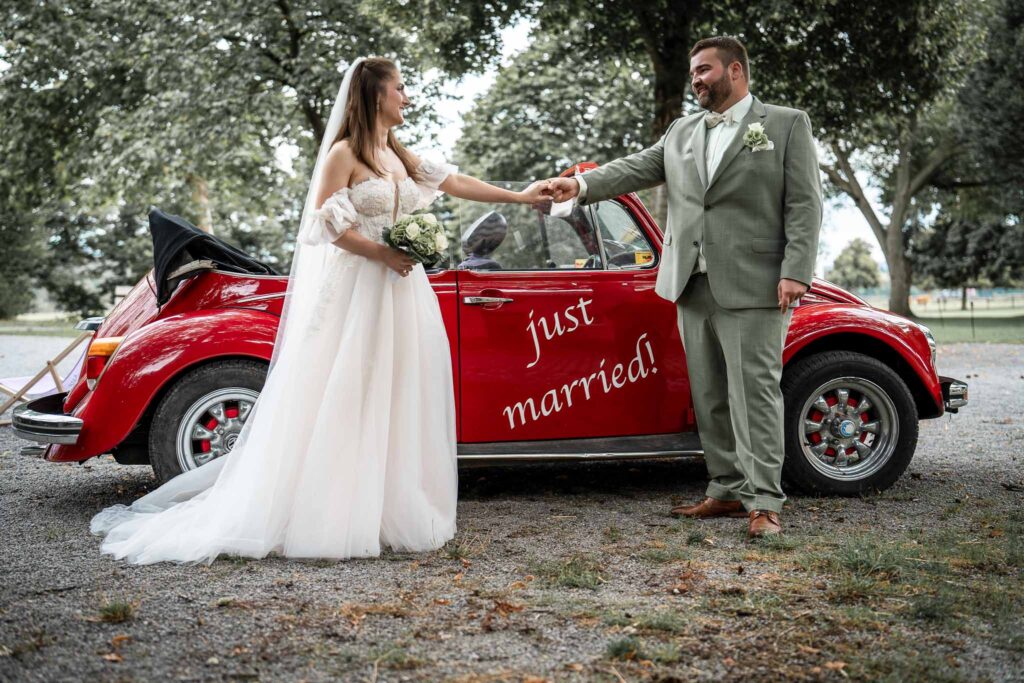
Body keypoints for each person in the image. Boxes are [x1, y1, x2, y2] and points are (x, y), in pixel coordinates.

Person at [90, 57, 551, 564]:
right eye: (400, 89)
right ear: (376, 95)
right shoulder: (345, 154)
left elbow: (455, 183)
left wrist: (521, 197)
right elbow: (326, 227)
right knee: (350, 388)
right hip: (360, 289)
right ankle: (334, 510)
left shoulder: (396, 153)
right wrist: (381, 252)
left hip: (403, 292)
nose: (407, 97)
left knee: (398, 389)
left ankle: (387, 506)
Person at [547, 36, 822, 538]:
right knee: (710, 393)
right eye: (692, 72)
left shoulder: (785, 124)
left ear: (735, 71)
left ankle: (764, 502)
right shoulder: (681, 130)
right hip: (689, 280)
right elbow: (637, 167)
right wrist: (582, 186)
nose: (695, 79)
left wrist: (795, 269)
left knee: (754, 393)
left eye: (704, 70)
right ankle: (725, 490)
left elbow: (804, 204)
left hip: (757, 281)